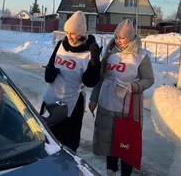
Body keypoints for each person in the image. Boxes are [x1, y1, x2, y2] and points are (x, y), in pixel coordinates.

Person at [89, 19, 154, 176]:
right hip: (106, 103)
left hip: (127, 108)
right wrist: (94, 98)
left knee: (125, 143)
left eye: (122, 37)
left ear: (131, 38)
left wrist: (133, 87)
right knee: (108, 141)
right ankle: (111, 170)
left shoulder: (141, 56)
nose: (118, 40)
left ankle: (126, 173)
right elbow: (101, 77)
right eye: (116, 36)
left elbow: (149, 80)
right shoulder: (109, 52)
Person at [42, 11, 102, 153]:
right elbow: (50, 66)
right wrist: (49, 73)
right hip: (51, 98)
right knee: (46, 138)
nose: (70, 36)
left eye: (74, 33)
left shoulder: (89, 51)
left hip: (71, 104)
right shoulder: (61, 45)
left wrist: (94, 64)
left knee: (66, 144)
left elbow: (89, 82)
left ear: (82, 33)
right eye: (67, 32)